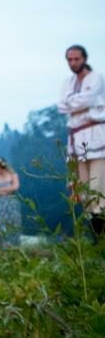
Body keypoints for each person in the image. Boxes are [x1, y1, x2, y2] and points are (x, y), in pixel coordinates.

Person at [57, 45, 105, 237]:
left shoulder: (96, 78)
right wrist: (77, 103)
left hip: (97, 136)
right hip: (76, 140)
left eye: (76, 59)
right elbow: (61, 105)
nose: (73, 63)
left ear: (84, 58)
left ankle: (101, 228)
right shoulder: (67, 82)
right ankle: (96, 234)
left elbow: (89, 99)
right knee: (82, 191)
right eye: (69, 59)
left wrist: (73, 103)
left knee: (98, 187)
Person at [0, 157, 21, 246]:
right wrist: (7, 190)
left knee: (13, 223)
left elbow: (15, 187)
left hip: (12, 204)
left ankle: (13, 245)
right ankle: (0, 245)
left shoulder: (13, 175)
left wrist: (1, 190)